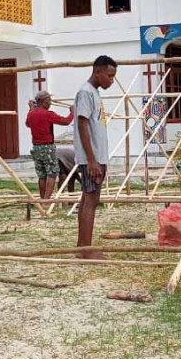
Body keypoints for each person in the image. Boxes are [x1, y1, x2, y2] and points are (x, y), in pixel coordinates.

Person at [74, 55, 117, 259]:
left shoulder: (94, 93)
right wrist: (92, 160)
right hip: (92, 158)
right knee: (91, 201)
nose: (111, 80)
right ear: (98, 72)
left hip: (97, 156)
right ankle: (86, 250)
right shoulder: (85, 92)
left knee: (87, 199)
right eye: (109, 75)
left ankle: (82, 246)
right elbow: (83, 124)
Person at [25, 90, 74, 199]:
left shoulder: (32, 113)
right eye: (49, 101)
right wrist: (72, 112)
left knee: (42, 175)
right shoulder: (48, 114)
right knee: (52, 173)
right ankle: (47, 200)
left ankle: (43, 200)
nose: (50, 103)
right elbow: (66, 121)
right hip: (47, 147)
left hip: (36, 147)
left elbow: (28, 123)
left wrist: (31, 109)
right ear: (44, 102)